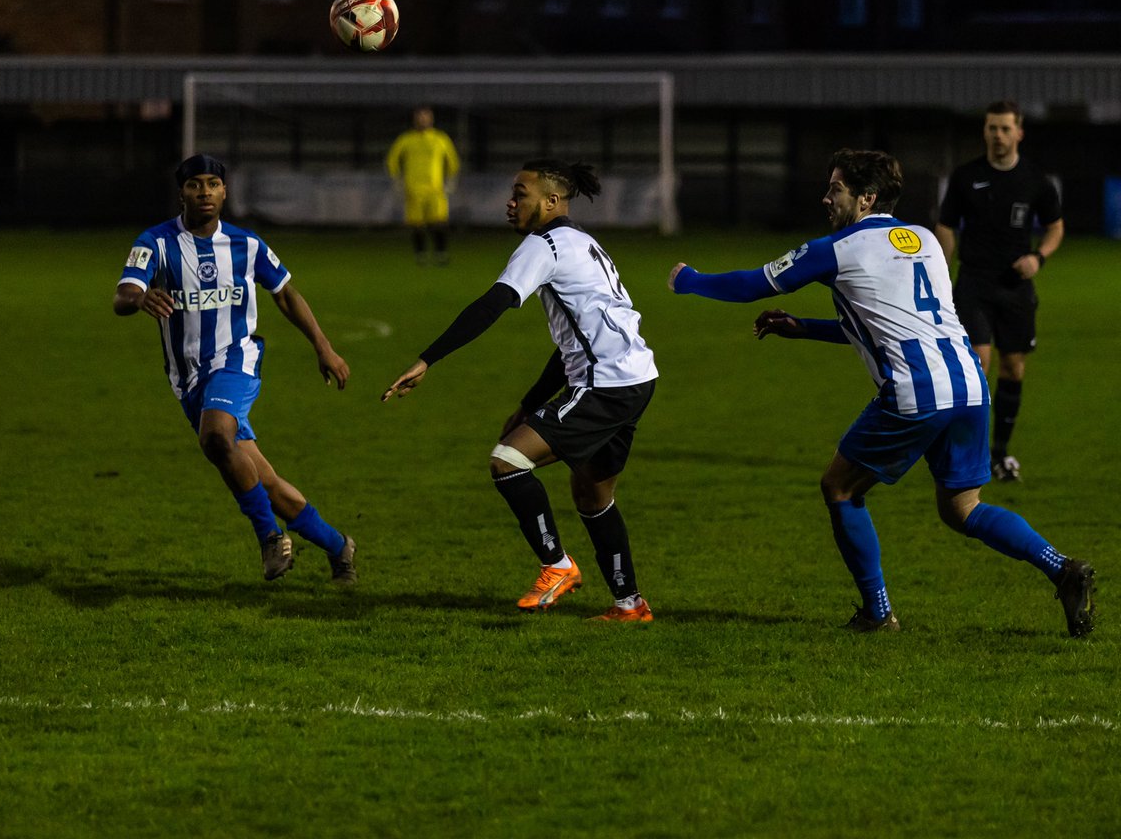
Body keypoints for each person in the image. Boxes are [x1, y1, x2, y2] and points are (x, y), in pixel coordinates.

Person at [668, 147, 1094, 637]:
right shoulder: (926, 239)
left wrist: (691, 280)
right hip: (968, 384)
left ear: (866, 198)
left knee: (840, 488)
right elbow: (888, 322)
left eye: (836, 189)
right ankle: (1061, 568)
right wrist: (804, 328)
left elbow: (752, 283)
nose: (826, 198)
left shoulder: (836, 248)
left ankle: (877, 611)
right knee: (963, 508)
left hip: (916, 389)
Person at [382, 158, 659, 622]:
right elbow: (572, 344)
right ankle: (629, 603)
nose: (510, 203)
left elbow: (495, 303)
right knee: (593, 494)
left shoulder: (545, 243)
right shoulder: (585, 242)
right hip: (635, 377)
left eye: (521, 194)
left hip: (606, 382)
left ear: (552, 202)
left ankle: (557, 565)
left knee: (507, 462)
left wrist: (427, 358)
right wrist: (528, 405)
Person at [113, 153, 358, 586]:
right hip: (187, 377)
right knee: (261, 480)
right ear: (181, 192)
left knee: (215, 436)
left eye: (212, 184)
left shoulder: (247, 244)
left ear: (225, 191)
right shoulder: (155, 242)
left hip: (236, 359)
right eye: (194, 185)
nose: (204, 192)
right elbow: (125, 292)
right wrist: (139, 299)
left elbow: (285, 294)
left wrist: (324, 347)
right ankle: (339, 546)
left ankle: (268, 538)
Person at [935, 100, 1065, 483]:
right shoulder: (965, 177)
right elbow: (945, 225)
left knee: (1013, 367)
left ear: (1019, 133)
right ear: (985, 132)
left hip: (1016, 287)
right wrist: (943, 269)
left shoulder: (1035, 181)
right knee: (978, 362)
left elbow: (1056, 227)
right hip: (974, 282)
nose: (998, 135)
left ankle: (1000, 455)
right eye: (992, 128)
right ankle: (962, 453)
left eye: (1005, 128)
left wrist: (1038, 258)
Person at [385, 106, 461, 265]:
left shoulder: (440, 138)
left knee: (439, 222)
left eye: (425, 116)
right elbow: (392, 160)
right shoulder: (406, 139)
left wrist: (450, 181)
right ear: (414, 119)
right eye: (420, 116)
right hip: (413, 190)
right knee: (416, 224)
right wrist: (397, 180)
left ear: (431, 119)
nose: (422, 119)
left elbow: (452, 161)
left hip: (436, 189)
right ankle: (421, 255)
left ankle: (441, 253)